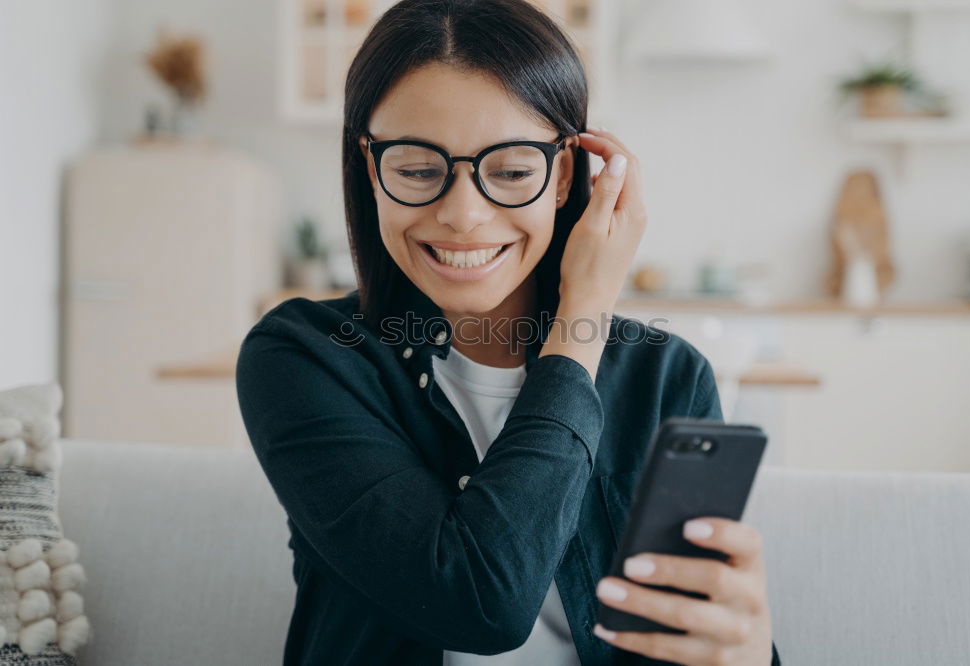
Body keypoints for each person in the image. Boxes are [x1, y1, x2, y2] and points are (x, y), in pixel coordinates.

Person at [235, 1, 780, 664]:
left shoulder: (667, 378)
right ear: (369, 169)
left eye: (513, 171)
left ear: (563, 177)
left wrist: (748, 654)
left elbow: (686, 635)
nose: (463, 215)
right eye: (416, 170)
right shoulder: (305, 358)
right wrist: (584, 320)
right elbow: (482, 603)